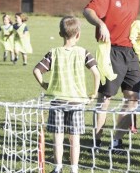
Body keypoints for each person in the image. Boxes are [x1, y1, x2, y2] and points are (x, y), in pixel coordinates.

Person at [83, 0, 140, 154]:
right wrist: (100, 24)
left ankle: (116, 142)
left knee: (133, 98)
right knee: (105, 98)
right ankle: (96, 142)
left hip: (131, 52)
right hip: (112, 51)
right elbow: (88, 10)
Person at [33, 16, 100, 173]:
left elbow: (36, 70)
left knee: (58, 137)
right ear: (78, 34)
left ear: (60, 33)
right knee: (74, 138)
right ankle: (74, 169)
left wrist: (44, 84)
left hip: (57, 101)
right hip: (77, 102)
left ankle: (57, 168)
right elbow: (96, 73)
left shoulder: (53, 52)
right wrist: (94, 92)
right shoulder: (83, 52)